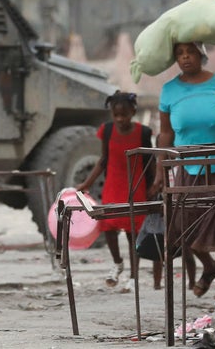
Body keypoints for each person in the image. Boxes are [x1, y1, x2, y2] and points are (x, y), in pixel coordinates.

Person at [150, 41, 215, 302]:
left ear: (201, 55)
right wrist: (160, 171)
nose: (185, 58)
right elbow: (165, 134)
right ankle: (208, 267)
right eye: (180, 54)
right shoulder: (169, 90)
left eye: (190, 52)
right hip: (189, 167)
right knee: (182, 227)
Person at [75, 91, 158, 292]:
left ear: (133, 112)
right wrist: (86, 183)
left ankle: (133, 277)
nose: (120, 119)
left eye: (125, 115)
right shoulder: (108, 130)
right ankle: (117, 263)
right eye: (116, 115)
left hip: (135, 188)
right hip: (113, 185)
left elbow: (150, 161)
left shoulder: (144, 132)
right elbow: (103, 160)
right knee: (109, 228)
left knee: (133, 235)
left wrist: (154, 185)